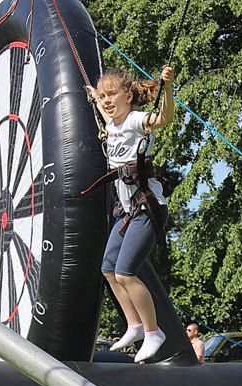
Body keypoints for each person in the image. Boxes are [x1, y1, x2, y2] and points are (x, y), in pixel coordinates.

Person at [88, 65, 175, 363]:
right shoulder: (111, 124)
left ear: (128, 96)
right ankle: (135, 325)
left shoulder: (136, 120)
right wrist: (95, 95)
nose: (107, 101)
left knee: (125, 272)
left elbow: (164, 118)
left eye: (112, 95)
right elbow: (102, 107)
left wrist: (168, 87)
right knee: (108, 268)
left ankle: (154, 332)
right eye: (103, 97)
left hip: (146, 208)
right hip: (126, 211)